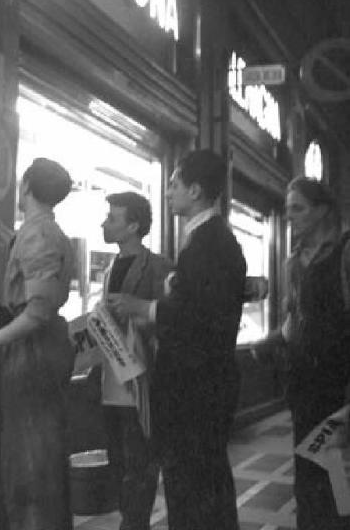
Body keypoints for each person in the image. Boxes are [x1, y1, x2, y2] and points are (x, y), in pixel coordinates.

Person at [108, 150, 246, 530]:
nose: (167, 192)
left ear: (196, 190)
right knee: (204, 489)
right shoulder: (206, 240)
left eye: (174, 184)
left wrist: (146, 307)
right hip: (200, 390)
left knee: (193, 494)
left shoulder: (209, 243)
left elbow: (198, 319)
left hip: (195, 392)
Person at [0, 157, 75, 530]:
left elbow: (36, 312)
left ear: (26, 185)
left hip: (32, 357)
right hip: (38, 354)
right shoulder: (38, 230)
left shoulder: (38, 235)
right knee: (34, 463)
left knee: (31, 468)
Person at [255, 176, 350, 530]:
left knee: (336, 473)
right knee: (307, 472)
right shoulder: (294, 262)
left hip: (337, 387)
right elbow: (296, 318)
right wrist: (274, 339)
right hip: (303, 386)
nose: (289, 216)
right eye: (286, 209)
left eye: (298, 208)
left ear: (322, 211)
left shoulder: (344, 253)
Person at [99, 192, 173, 530]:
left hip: (141, 382)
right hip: (109, 383)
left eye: (113, 218)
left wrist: (140, 317)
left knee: (140, 465)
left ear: (133, 226)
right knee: (119, 464)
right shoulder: (110, 265)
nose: (105, 223)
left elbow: (174, 320)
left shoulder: (159, 266)